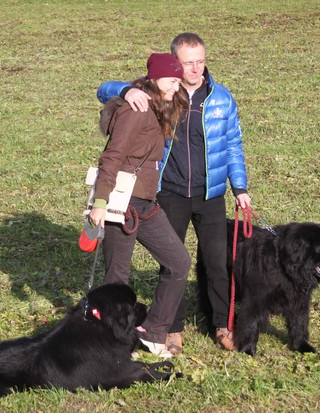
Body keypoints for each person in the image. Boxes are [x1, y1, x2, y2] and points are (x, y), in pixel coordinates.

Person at [96, 33, 252, 353]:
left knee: (214, 262)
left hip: (209, 193)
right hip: (168, 192)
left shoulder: (219, 98)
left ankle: (222, 324)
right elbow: (104, 91)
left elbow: (233, 145)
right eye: (187, 64)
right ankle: (171, 329)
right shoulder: (159, 95)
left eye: (200, 62)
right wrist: (127, 90)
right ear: (174, 65)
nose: (194, 69)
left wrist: (239, 186)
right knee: (165, 261)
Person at [89, 53, 191, 358]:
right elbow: (112, 156)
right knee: (117, 277)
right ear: (154, 79)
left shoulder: (158, 107)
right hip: (122, 203)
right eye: (171, 80)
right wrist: (100, 202)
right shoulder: (137, 110)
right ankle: (110, 341)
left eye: (178, 81)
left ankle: (153, 332)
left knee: (179, 262)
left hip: (146, 204)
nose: (176, 87)